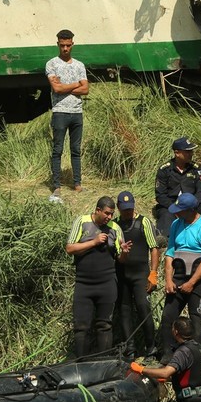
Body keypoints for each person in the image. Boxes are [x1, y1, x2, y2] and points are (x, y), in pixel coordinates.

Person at [66, 196, 131, 359]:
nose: (109, 217)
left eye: (111, 214)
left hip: (107, 284)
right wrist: (93, 242)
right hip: (84, 284)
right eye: (107, 213)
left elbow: (121, 260)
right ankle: (80, 362)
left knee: (104, 325)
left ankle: (103, 363)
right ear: (97, 210)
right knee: (81, 326)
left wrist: (124, 252)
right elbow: (69, 248)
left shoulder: (114, 228)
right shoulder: (82, 221)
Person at [159, 192, 201, 363]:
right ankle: (166, 354)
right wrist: (168, 280)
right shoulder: (176, 224)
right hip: (179, 275)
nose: (176, 213)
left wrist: (191, 283)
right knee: (168, 316)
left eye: (180, 210)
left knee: (196, 317)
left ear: (191, 210)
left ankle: (196, 356)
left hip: (197, 279)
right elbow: (169, 254)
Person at [130, 317, 201, 402]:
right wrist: (170, 379)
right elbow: (191, 373)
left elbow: (165, 372)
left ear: (176, 332)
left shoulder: (182, 352)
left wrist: (141, 369)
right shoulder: (198, 347)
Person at [113, 191, 161, 358]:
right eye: (124, 209)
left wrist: (153, 273)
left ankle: (151, 347)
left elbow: (154, 248)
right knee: (124, 311)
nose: (128, 212)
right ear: (118, 207)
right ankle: (130, 348)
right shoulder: (114, 225)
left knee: (143, 308)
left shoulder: (143, 222)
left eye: (130, 209)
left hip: (140, 274)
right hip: (122, 275)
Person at [47, 29, 88, 200]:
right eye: (62, 45)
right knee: (58, 149)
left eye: (68, 45)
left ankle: (77, 183)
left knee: (75, 150)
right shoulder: (52, 64)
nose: (65, 48)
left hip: (76, 112)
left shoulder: (79, 65)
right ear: (58, 44)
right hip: (60, 112)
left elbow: (85, 89)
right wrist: (75, 85)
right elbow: (56, 88)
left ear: (72, 44)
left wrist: (65, 86)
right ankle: (56, 185)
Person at [153, 137, 201, 238]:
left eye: (191, 151)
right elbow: (160, 195)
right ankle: (165, 238)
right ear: (177, 153)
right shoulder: (164, 169)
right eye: (187, 152)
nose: (191, 154)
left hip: (192, 204)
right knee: (165, 214)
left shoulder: (196, 168)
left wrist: (193, 204)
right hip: (173, 205)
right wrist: (176, 208)